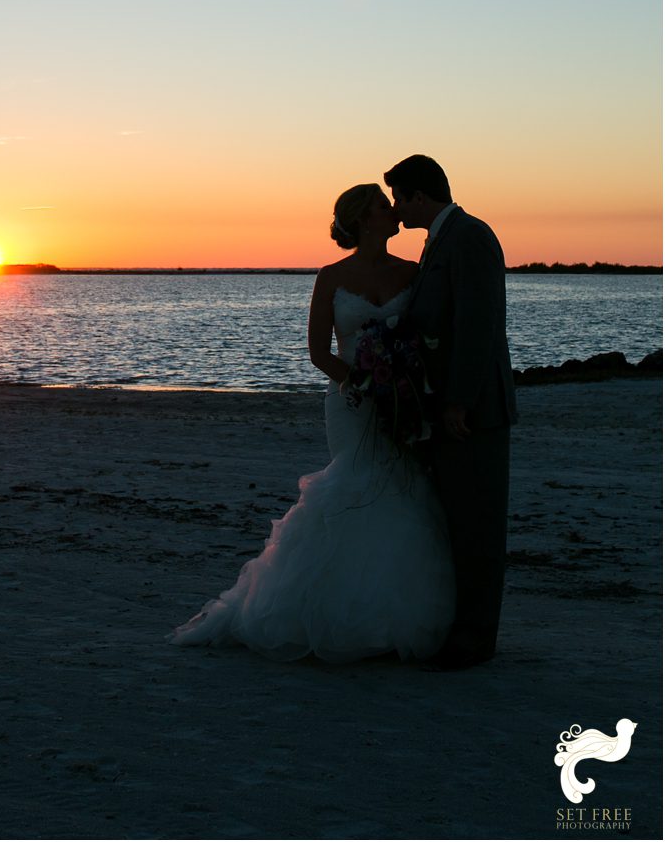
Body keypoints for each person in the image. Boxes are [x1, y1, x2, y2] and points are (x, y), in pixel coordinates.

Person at [169, 183, 454, 663]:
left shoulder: (412, 272)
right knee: (352, 485)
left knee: (401, 488)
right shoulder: (331, 277)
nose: (394, 212)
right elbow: (319, 351)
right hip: (350, 402)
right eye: (384, 208)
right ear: (365, 220)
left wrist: (404, 382)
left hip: (402, 400)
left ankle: (386, 613)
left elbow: (426, 334)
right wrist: (363, 381)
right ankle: (329, 612)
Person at [384, 155, 517, 671]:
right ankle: (457, 628)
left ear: (419, 196)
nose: (396, 209)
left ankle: (476, 638)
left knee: (479, 525)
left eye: (399, 198)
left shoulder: (470, 237)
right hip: (447, 409)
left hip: (475, 412)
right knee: (455, 521)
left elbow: (479, 324)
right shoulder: (439, 240)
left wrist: (459, 399)